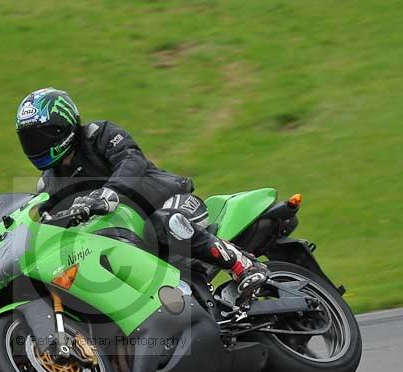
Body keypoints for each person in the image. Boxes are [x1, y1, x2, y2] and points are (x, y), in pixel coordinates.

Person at [15, 87, 268, 304]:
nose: (36, 145)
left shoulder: (98, 134)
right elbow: (46, 223)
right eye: (29, 140)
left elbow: (131, 159)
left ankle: (243, 265)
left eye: (43, 136)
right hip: (121, 237)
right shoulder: (48, 183)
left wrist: (110, 193)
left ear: (64, 126)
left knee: (163, 223)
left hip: (170, 203)